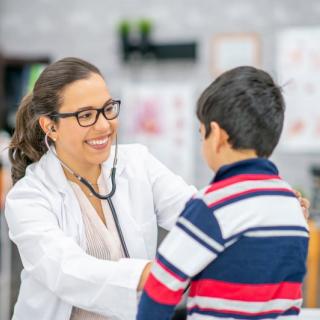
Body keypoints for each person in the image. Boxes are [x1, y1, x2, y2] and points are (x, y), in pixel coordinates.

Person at [4, 57, 196, 320]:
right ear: (51, 127)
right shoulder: (29, 197)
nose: (104, 125)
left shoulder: (138, 163)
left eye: (108, 109)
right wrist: (153, 274)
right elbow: (66, 270)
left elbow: (194, 213)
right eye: (86, 115)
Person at [137, 66, 309, 320]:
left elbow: (162, 286)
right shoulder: (293, 207)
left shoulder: (210, 205)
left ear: (216, 135)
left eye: (201, 134)